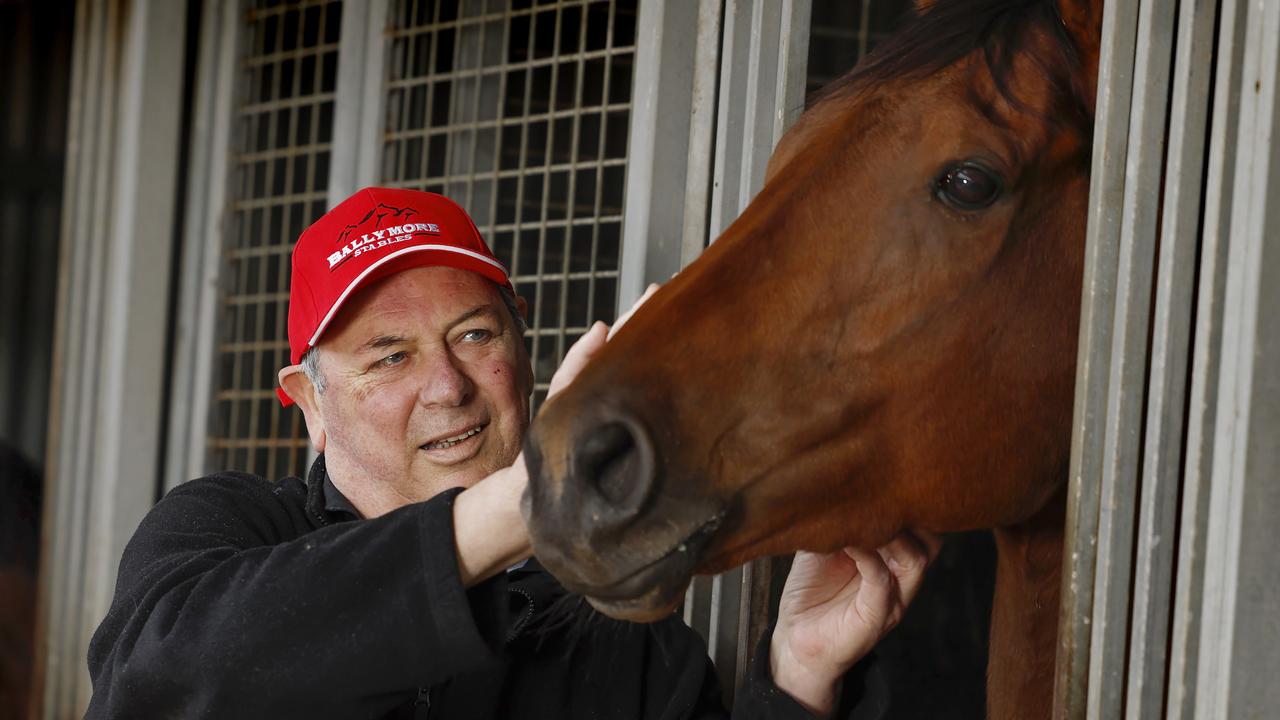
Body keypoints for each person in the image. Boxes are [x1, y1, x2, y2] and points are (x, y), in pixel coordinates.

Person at [86, 187, 938, 719]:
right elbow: (169, 686)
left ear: (523, 359)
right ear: (310, 402)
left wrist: (796, 677)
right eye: (390, 355)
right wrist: (532, 493)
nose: (450, 386)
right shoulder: (225, 533)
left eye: (474, 335)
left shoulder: (617, 640)